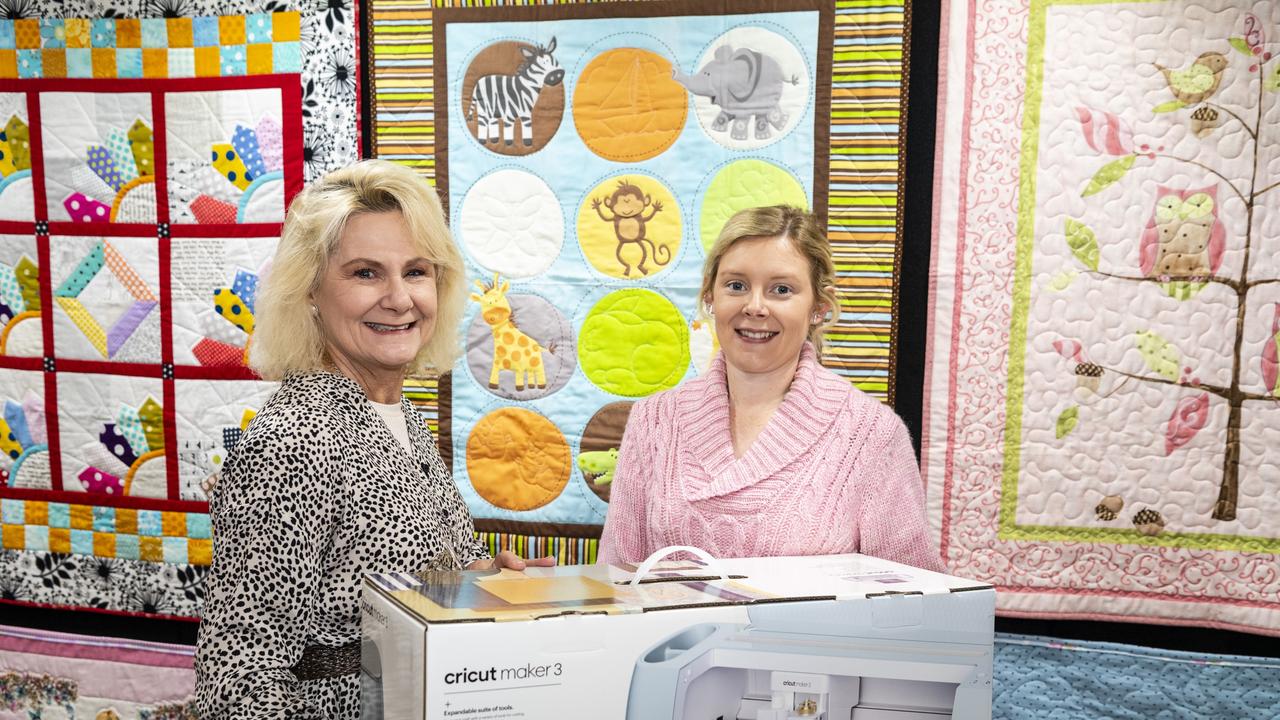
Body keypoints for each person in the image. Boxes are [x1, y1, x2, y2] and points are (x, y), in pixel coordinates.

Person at [195, 160, 553, 719]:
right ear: (311, 289)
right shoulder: (292, 440)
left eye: (416, 271)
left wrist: (480, 582)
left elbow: (384, 586)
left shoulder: (398, 412)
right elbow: (238, 681)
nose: (399, 298)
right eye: (366, 273)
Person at [599, 205, 942, 572]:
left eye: (781, 289)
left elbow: (916, 595)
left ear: (818, 308)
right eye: (736, 285)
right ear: (710, 297)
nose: (755, 307)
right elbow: (616, 578)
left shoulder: (871, 434)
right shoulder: (654, 420)